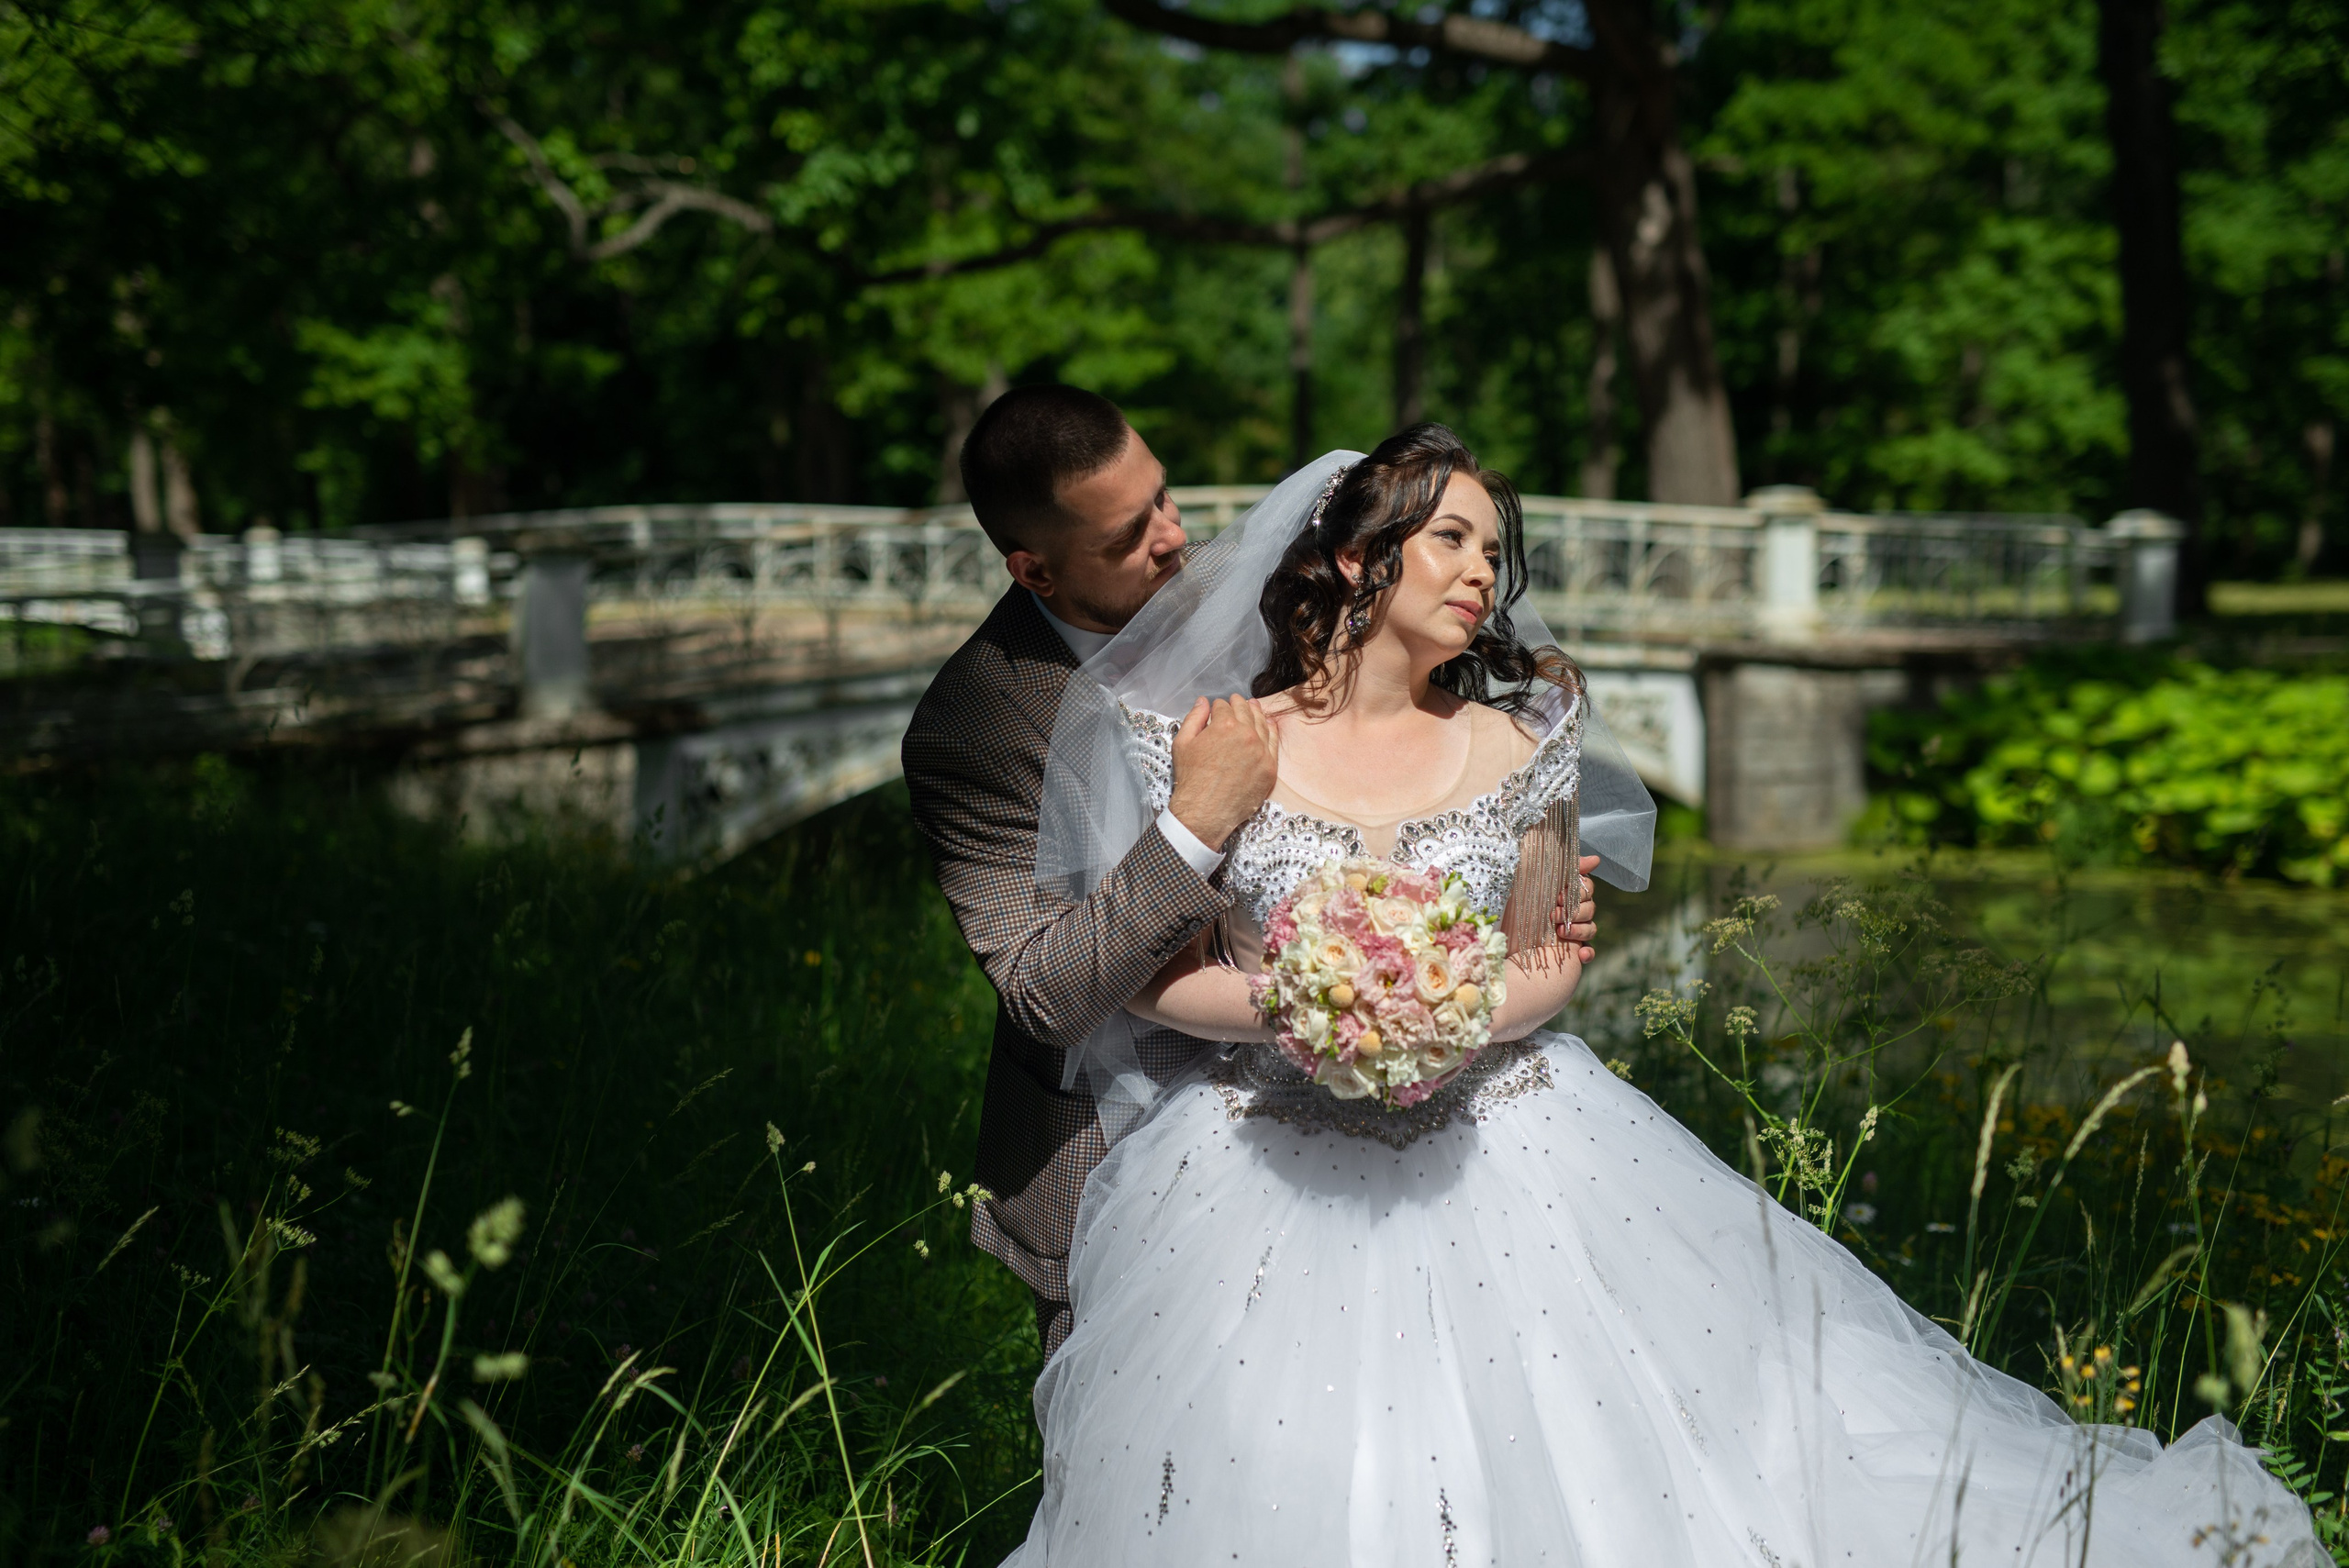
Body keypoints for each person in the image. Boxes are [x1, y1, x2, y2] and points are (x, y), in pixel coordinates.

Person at [1001, 424, 2321, 1567]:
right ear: (1356, 557)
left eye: (1490, 553)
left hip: (1501, 1135)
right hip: (1258, 1161)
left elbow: (1550, 959)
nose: (1481, 575)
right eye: (1451, 540)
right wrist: (1317, 1011)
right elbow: (1163, 975)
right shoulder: (1219, 740)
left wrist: (1446, 1013)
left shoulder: (1525, 739)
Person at [901, 386, 1601, 1359]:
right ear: (1035, 569)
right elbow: (1042, 991)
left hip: (1423, 1124)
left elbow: (1395, 710)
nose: (1175, 540)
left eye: (1165, 497)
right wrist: (1195, 823)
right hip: (1133, 1149)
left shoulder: (1260, 585)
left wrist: (1492, 893)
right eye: (1127, 534)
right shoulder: (974, 724)